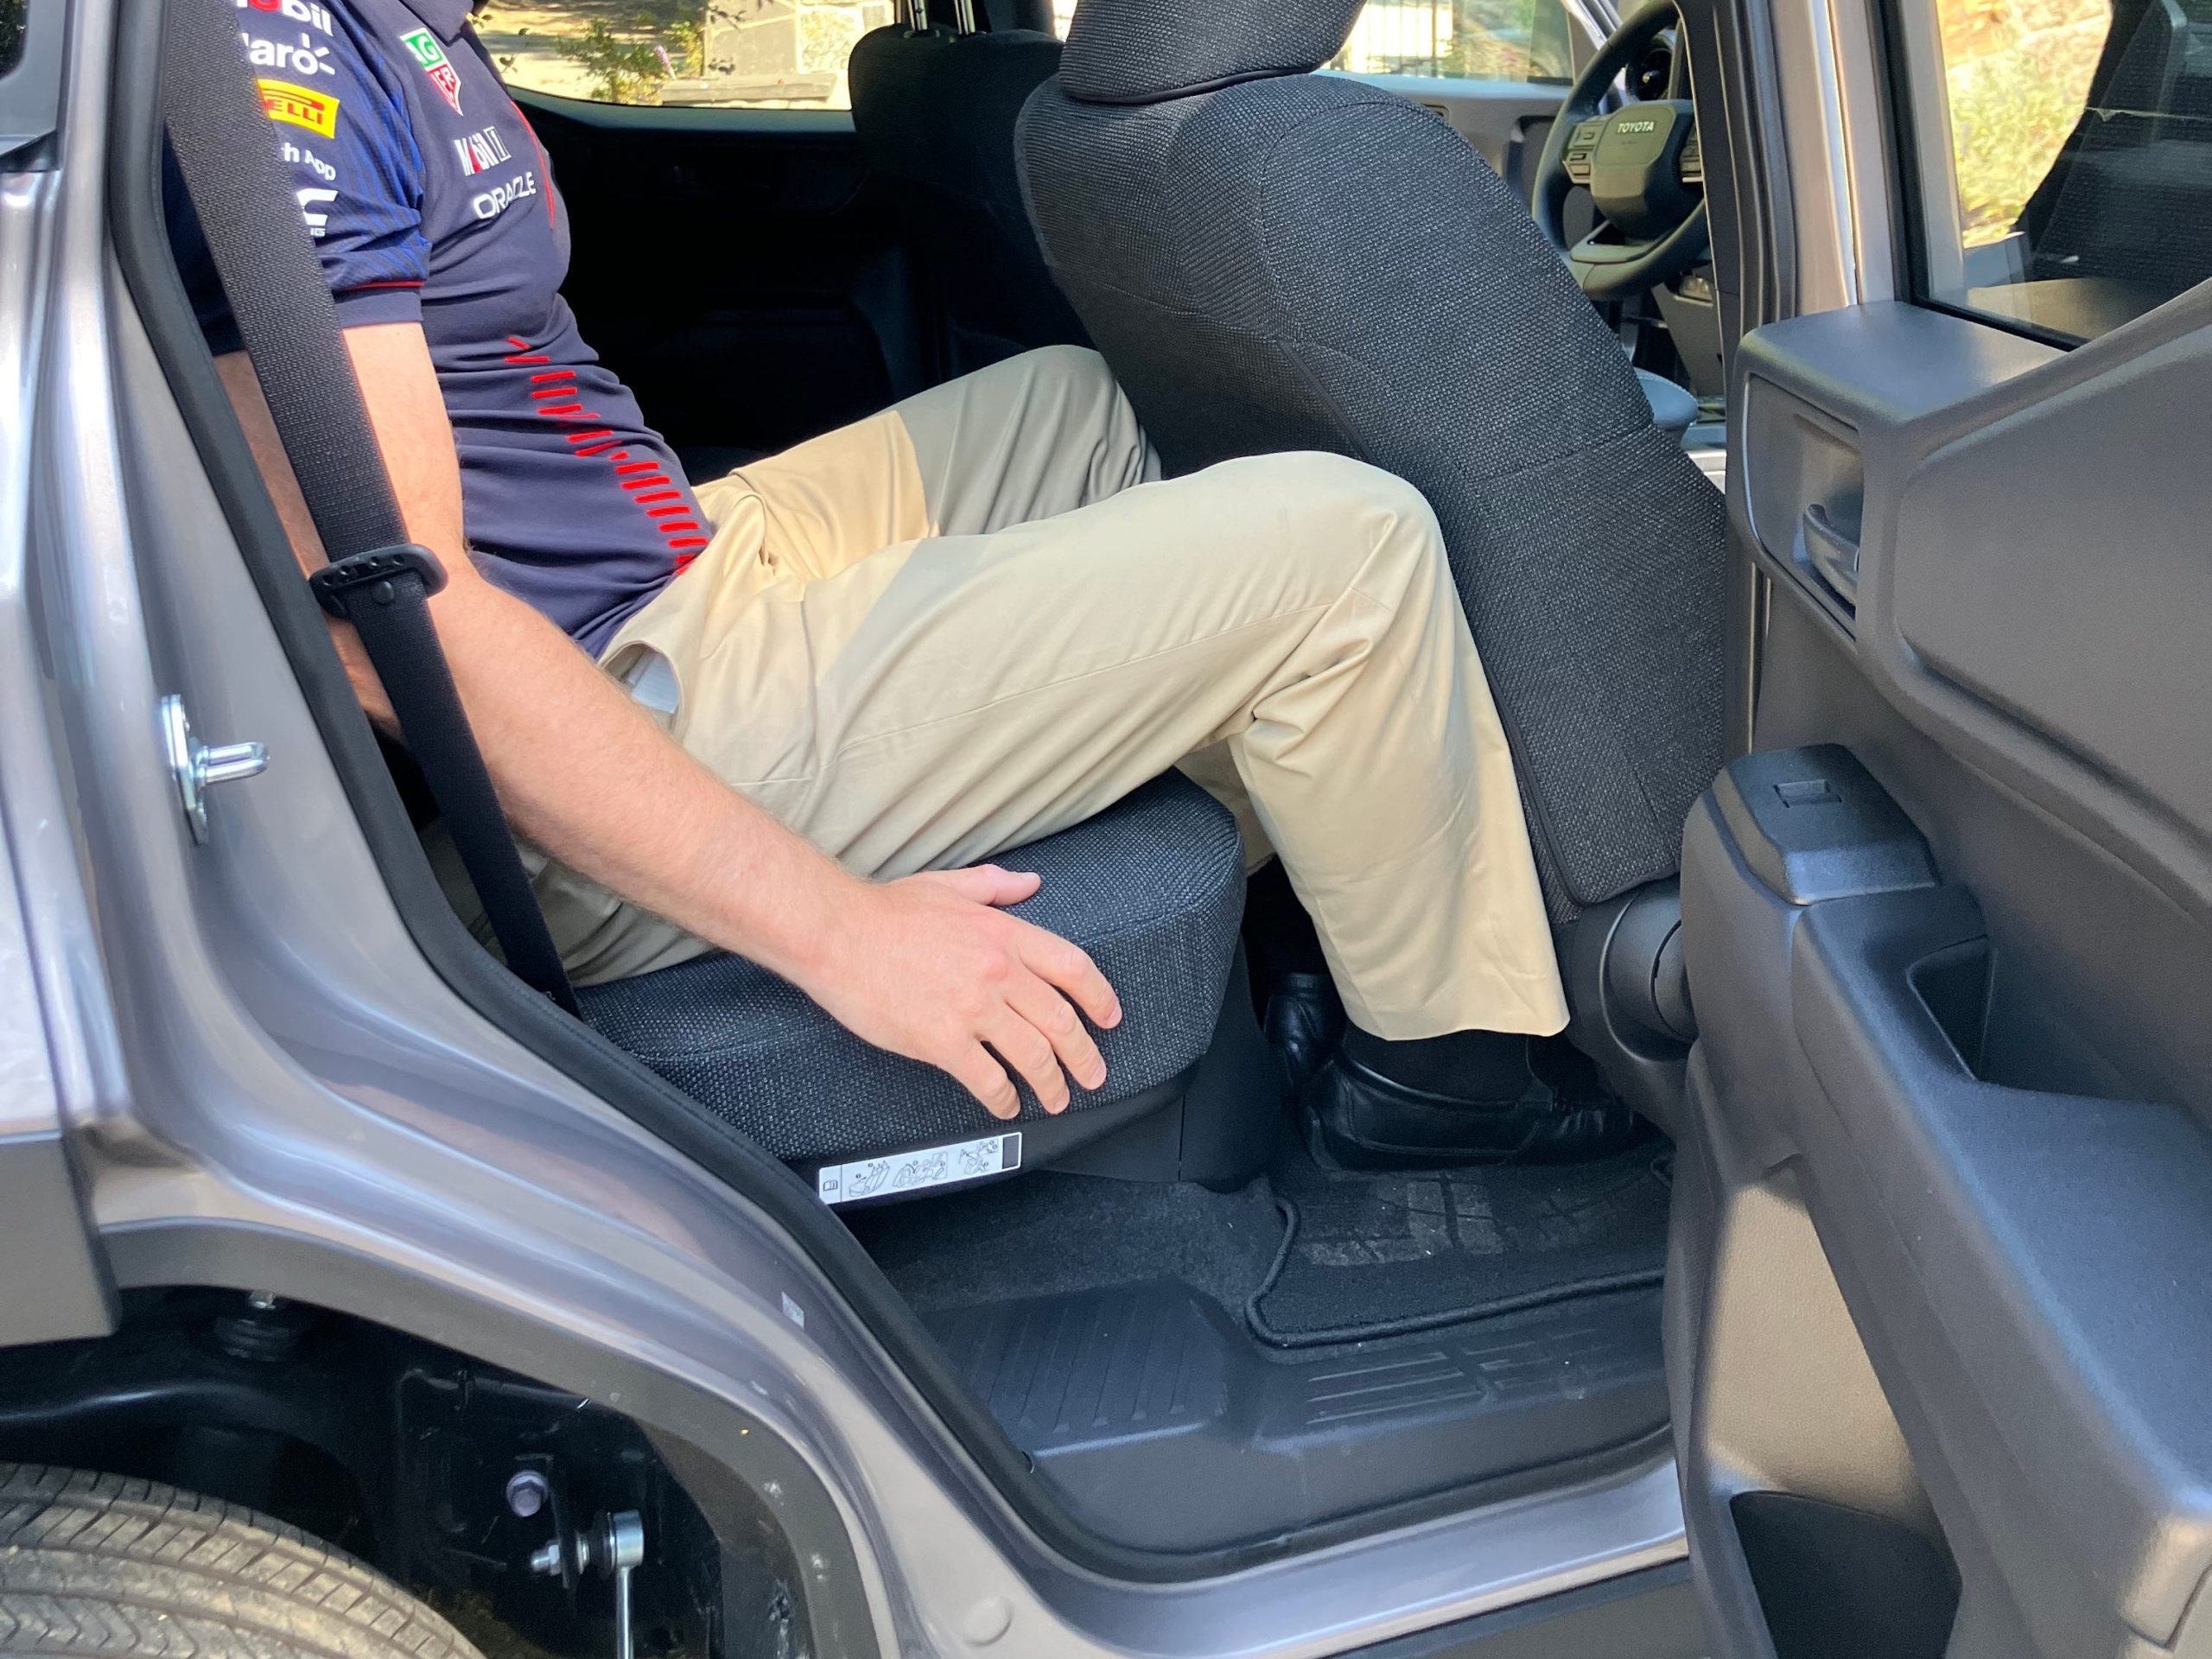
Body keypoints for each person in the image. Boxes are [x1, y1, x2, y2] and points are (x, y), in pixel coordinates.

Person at [171, 0, 1633, 1164]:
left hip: (677, 562)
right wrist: (839, 931)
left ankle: (1307, 896)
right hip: (603, 709)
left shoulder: (385, 25)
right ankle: (1439, 1074)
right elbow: (386, 617)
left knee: (1087, 404)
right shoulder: (270, 66)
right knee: (1347, 546)